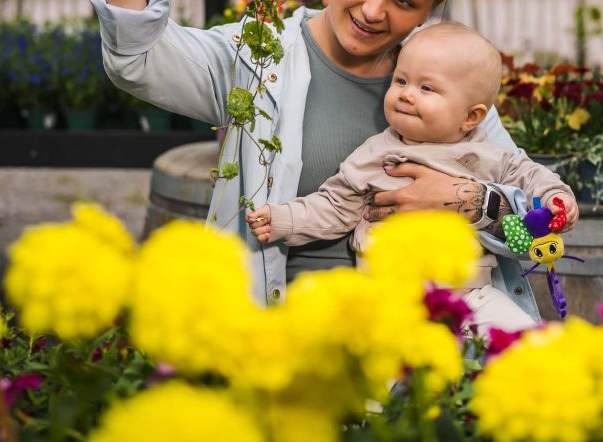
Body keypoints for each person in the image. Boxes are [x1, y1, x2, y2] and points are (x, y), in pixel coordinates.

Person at [89, 0, 542, 309]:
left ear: (434, 6)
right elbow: (139, 59)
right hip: (285, 344)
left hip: (420, 343)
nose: (373, 10)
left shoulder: (448, 95)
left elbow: (542, 239)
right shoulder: (258, 59)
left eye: (404, 1)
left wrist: (474, 202)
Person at [245, 22, 578, 334]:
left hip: (470, 294)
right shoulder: (376, 155)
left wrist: (555, 197)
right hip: (390, 297)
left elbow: (530, 175)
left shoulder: (488, 154)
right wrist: (283, 220)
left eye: (427, 87)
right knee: (385, 381)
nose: (406, 93)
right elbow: (334, 205)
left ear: (471, 116)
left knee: (521, 341)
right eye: (401, 81)